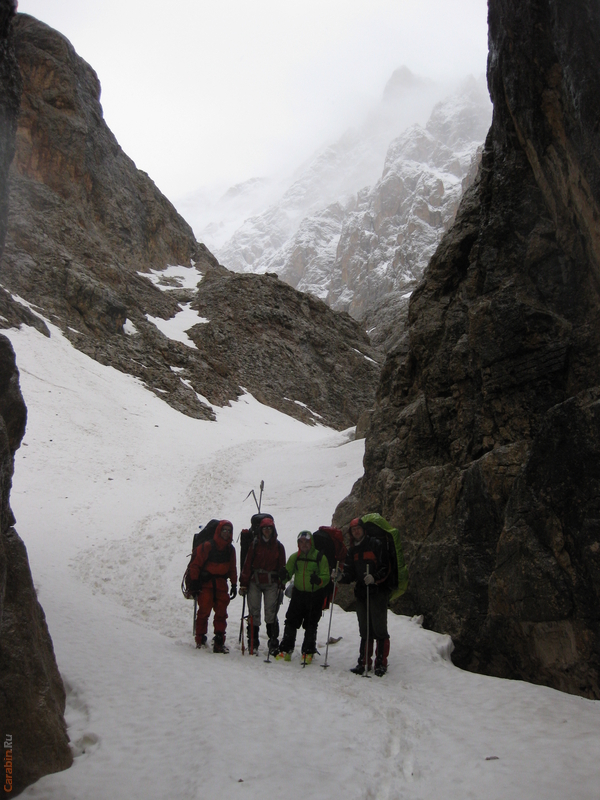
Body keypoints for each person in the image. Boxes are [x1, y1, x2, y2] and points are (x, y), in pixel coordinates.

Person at [338, 517, 390, 676]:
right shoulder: (352, 550)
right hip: (362, 592)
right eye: (353, 530)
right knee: (365, 628)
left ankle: (380, 663)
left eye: (358, 529)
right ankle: (364, 662)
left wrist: (375, 577)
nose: (356, 532)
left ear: (363, 530)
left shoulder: (376, 544)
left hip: (377, 591)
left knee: (379, 628)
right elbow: (350, 573)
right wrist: (340, 577)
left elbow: (386, 566)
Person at [276, 530, 330, 663]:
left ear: (311, 542)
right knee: (291, 621)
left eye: (306, 542)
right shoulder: (295, 557)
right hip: (298, 594)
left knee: (311, 623)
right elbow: (288, 574)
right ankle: (286, 649)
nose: (304, 544)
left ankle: (308, 651)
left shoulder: (320, 557)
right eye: (301, 542)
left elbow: (326, 576)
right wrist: (283, 576)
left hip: (314, 594)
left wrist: (318, 580)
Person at [188, 519, 237, 653]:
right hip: (206, 583)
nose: (226, 533)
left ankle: (219, 640)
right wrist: (194, 581)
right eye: (224, 530)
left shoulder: (230, 549)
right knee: (204, 610)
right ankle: (200, 638)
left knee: (221, 613)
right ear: (219, 531)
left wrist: (234, 583)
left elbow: (232, 568)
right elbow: (195, 565)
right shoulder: (208, 546)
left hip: (221, 583)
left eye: (229, 531)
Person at [239, 516, 286, 655]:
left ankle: (272, 643)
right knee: (254, 612)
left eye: (269, 528)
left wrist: (281, 583)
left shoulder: (278, 546)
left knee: (271, 612)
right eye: (264, 528)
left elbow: (282, 566)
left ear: (273, 529)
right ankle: (253, 642)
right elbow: (247, 565)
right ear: (260, 530)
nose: (267, 531)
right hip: (255, 581)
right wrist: (243, 583)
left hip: (271, 582)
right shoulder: (254, 545)